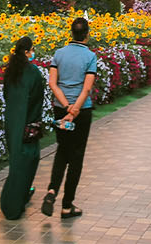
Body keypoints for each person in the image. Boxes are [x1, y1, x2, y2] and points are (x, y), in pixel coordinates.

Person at [41, 16, 97, 219]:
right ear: (87, 34)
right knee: (76, 157)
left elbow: (52, 83)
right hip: (81, 112)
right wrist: (74, 111)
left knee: (62, 150)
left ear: (71, 33)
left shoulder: (59, 54)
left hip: (60, 109)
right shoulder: (90, 56)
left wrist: (66, 107)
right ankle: (67, 205)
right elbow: (87, 88)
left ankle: (51, 190)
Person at [0, 36, 44, 219]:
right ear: (26, 52)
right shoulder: (33, 72)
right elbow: (37, 97)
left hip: (12, 123)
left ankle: (18, 199)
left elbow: (7, 95)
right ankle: (14, 204)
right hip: (28, 124)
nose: (33, 53)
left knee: (16, 161)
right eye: (32, 50)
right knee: (28, 161)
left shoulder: (11, 71)